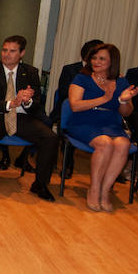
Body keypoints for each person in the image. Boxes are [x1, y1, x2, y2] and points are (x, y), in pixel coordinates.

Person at [0, 35, 58, 202]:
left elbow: (37, 105)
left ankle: (40, 184)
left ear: (22, 53)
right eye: (4, 50)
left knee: (50, 137)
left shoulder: (31, 72)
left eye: (12, 51)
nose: (7, 54)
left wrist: (27, 101)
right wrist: (11, 103)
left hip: (21, 117)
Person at [66, 43, 138, 212]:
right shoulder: (81, 78)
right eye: (94, 58)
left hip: (110, 123)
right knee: (105, 143)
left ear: (112, 61)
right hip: (83, 121)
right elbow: (75, 106)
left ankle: (105, 191)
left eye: (101, 58)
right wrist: (106, 98)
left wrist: (124, 100)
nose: (96, 61)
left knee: (123, 144)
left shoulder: (121, 81)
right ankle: (94, 189)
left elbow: (126, 113)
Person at [55, 39, 103, 179]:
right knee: (67, 129)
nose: (97, 61)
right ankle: (68, 164)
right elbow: (65, 94)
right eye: (95, 57)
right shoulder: (70, 70)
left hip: (93, 113)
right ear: (86, 56)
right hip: (69, 110)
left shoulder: (104, 75)